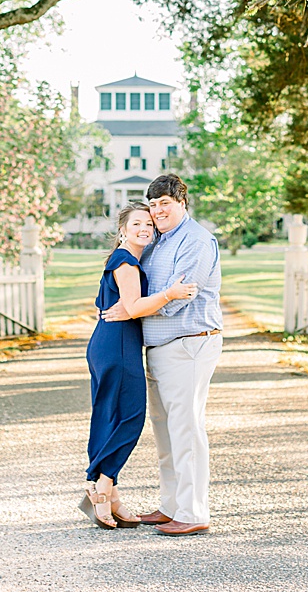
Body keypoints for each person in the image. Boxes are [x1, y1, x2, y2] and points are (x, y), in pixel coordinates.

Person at [100, 173, 224, 536]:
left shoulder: (197, 241)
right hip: (158, 349)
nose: (157, 211)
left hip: (190, 344)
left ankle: (194, 511)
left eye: (164, 204)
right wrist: (133, 305)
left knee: (186, 428)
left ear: (182, 203)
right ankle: (172, 505)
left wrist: (132, 309)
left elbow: (177, 298)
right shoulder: (159, 241)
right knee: (166, 430)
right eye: (153, 205)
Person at [80, 202, 198, 528]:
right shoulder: (126, 260)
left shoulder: (125, 258)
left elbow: (127, 306)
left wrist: (132, 309)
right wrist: (171, 294)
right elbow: (132, 306)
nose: (145, 228)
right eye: (137, 224)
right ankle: (102, 488)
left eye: (149, 224)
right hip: (118, 347)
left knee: (109, 416)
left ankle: (109, 493)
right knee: (130, 418)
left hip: (108, 343)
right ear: (122, 230)